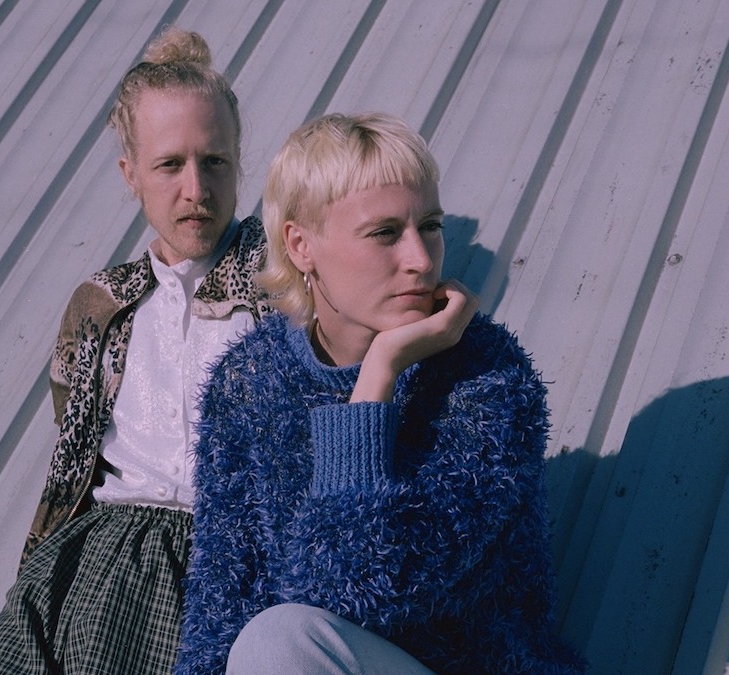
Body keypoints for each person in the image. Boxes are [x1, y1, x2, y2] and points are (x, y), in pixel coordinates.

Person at [174, 112, 586, 674]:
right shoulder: (248, 383)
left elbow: (360, 586)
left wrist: (378, 376)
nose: (421, 259)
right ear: (300, 245)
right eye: (385, 233)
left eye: (430, 226)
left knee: (277, 641)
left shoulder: (486, 377)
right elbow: (217, 611)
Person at [0, 27, 268, 675]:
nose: (196, 187)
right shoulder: (102, 305)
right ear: (130, 174)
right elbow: (74, 437)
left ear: (239, 161)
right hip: (96, 559)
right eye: (170, 164)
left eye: (215, 161)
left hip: (226, 559)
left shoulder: (280, 287)